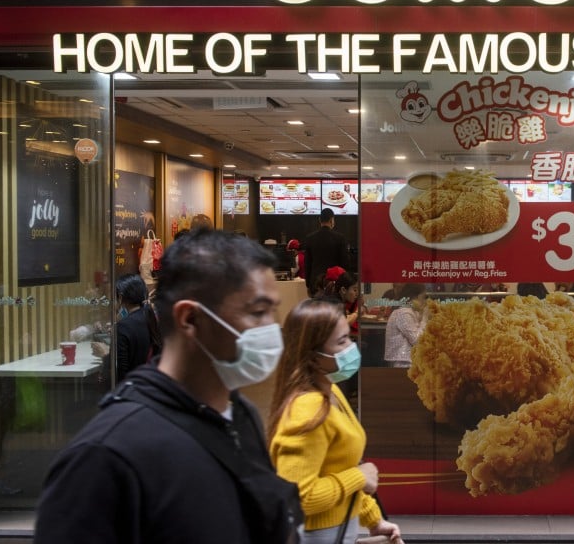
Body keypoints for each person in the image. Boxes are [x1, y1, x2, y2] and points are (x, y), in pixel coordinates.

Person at [34, 229, 302, 544]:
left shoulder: (242, 417)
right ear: (190, 319)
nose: (272, 328)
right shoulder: (103, 458)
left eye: (273, 312)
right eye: (258, 312)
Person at [268, 299, 402, 544]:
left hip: (339, 529)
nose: (351, 347)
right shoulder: (307, 409)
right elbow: (299, 496)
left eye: (348, 338)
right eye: (341, 342)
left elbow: (338, 468)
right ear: (312, 356)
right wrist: (359, 477)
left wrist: (373, 519)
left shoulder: (331, 391)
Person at [90, 273, 162, 383]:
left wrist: (106, 355)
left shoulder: (123, 327)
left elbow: (119, 374)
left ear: (120, 297)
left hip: (135, 386)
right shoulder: (149, 317)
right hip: (150, 383)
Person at [302, 208, 349, 296]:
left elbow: (307, 264)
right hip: (334, 283)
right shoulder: (340, 238)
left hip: (315, 283)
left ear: (320, 220)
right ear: (332, 220)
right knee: (333, 304)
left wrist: (308, 285)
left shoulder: (310, 238)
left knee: (317, 305)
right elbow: (344, 263)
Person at [383, 283, 428, 368]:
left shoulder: (411, 311)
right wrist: (425, 319)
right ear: (415, 297)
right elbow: (417, 340)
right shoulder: (404, 313)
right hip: (404, 363)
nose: (425, 302)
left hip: (409, 360)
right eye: (423, 298)